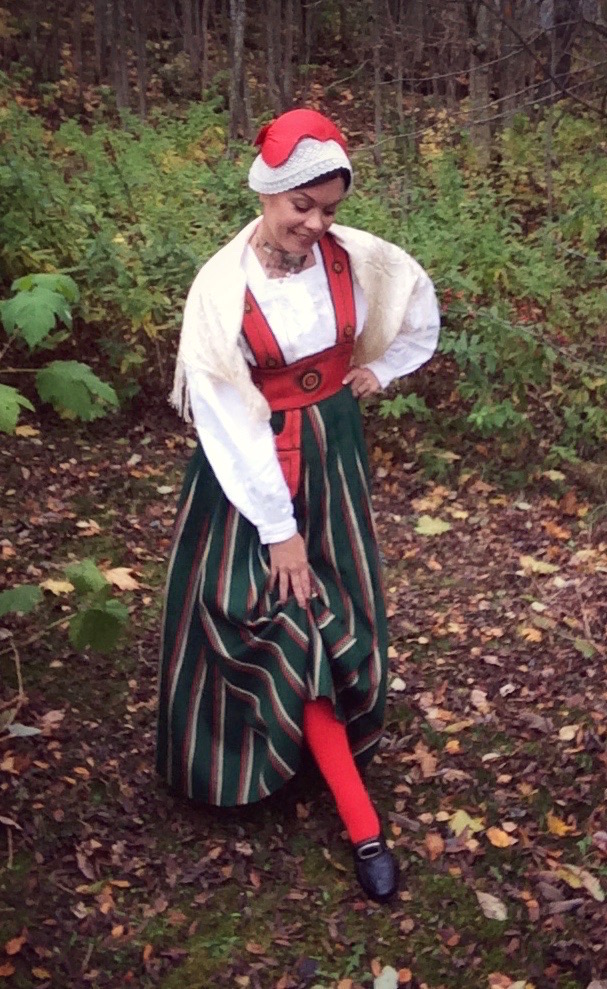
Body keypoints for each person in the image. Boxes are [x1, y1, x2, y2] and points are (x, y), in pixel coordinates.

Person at [156, 108, 439, 903]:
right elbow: (225, 418)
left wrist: (383, 368)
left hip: (333, 456)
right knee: (278, 611)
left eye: (329, 209)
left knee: (335, 598)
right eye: (301, 205)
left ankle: (335, 754)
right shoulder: (221, 289)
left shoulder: (357, 258)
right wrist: (277, 529)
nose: (315, 224)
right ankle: (356, 820)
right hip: (250, 469)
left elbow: (417, 308)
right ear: (266, 194)